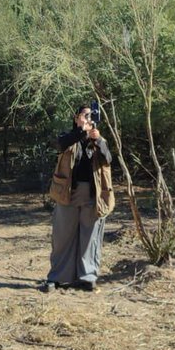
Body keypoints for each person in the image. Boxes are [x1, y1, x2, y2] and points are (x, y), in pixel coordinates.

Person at [44, 104, 114, 292]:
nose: (88, 118)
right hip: (67, 194)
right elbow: (59, 145)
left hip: (93, 195)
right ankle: (57, 277)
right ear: (76, 118)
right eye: (84, 115)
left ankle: (87, 277)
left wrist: (98, 140)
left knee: (89, 237)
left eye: (91, 115)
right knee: (62, 237)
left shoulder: (99, 138)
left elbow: (108, 159)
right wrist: (80, 132)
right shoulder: (69, 138)